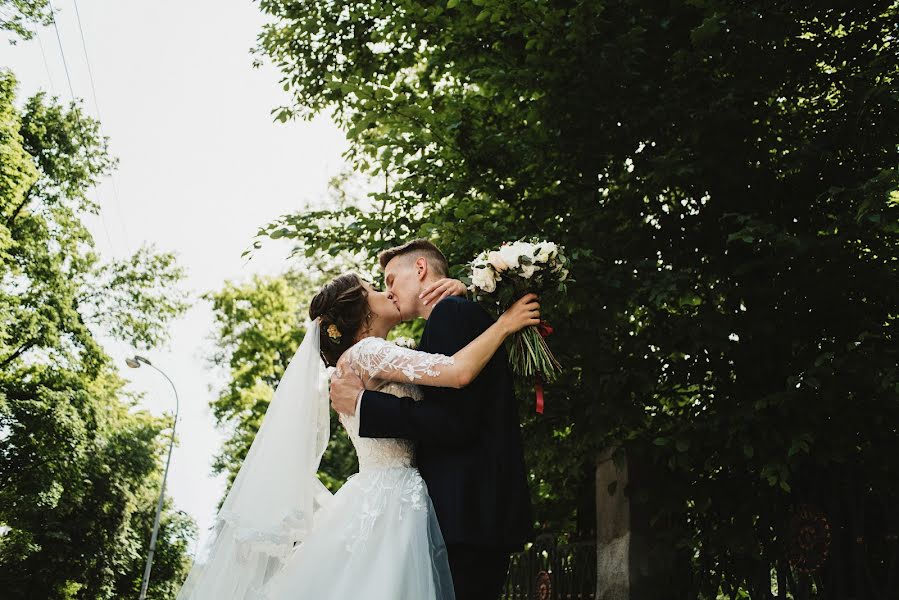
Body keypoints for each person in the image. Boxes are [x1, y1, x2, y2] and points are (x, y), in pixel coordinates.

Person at [175, 269, 539, 600]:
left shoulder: (379, 358)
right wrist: (507, 323)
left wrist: (459, 292)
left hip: (385, 494)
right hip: (394, 499)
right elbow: (458, 371)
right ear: (364, 312)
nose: (388, 293)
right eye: (375, 290)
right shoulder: (367, 353)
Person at [330, 239, 536, 600]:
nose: (388, 292)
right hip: (450, 511)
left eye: (390, 281)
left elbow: (454, 416)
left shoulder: (450, 314)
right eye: (379, 288)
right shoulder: (383, 349)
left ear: (421, 269)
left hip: (464, 510)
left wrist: (365, 406)